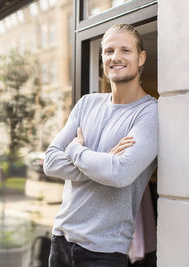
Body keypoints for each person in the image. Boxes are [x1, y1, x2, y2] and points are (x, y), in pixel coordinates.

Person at [43, 23, 158, 267]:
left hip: (103, 251)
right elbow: (51, 162)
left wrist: (75, 150)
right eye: (108, 51)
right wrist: (103, 160)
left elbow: (119, 173)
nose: (116, 57)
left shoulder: (150, 113)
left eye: (125, 50)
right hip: (61, 239)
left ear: (141, 57)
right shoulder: (86, 103)